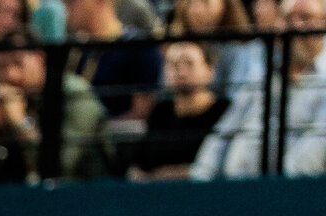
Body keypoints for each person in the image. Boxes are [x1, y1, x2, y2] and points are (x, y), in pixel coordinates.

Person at [192, 0, 326, 178]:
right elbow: (224, 131)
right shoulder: (262, 74)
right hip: (235, 185)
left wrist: (275, 186)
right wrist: (200, 177)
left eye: (305, 17)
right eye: (288, 18)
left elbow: (312, 154)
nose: (295, 25)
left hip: (288, 188)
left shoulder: (323, 81)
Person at [130, 40, 229, 178]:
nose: (181, 72)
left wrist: (170, 175)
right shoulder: (160, 111)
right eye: (174, 64)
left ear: (209, 70)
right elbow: (139, 163)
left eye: (189, 63)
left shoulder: (223, 111)